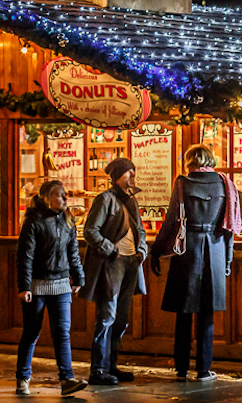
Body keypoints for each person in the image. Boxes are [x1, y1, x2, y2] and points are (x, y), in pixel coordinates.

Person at [150, 145, 240, 382]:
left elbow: (170, 222)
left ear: (190, 160)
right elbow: (229, 227)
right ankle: (203, 369)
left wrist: (156, 251)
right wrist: (228, 259)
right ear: (211, 159)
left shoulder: (182, 183)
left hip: (187, 250)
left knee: (183, 312)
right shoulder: (225, 185)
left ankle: (181, 367)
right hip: (216, 248)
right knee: (207, 313)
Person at [15, 181, 88, 397]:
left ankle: (67, 380)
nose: (66, 199)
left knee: (62, 334)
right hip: (37, 287)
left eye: (65, 195)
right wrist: (24, 286)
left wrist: (78, 278)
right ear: (47, 198)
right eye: (60, 195)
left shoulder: (68, 221)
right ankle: (23, 377)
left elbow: (73, 252)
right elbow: (25, 256)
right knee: (31, 333)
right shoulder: (33, 222)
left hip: (61, 286)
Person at [81, 157, 149, 386]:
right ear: (117, 176)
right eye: (128, 173)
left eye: (133, 172)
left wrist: (142, 250)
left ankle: (111, 366)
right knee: (107, 317)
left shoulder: (132, 201)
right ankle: (97, 369)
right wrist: (110, 250)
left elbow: (140, 230)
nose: (133, 177)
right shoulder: (105, 199)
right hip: (112, 264)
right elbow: (90, 231)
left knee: (121, 319)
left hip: (131, 263)